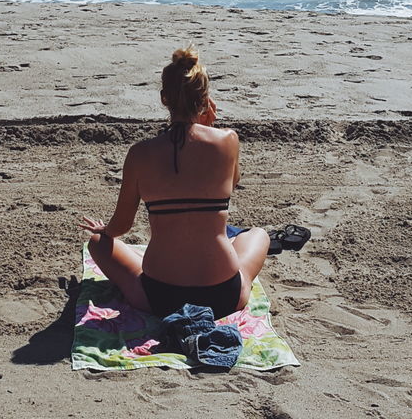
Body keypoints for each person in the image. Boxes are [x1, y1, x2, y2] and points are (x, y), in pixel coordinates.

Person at [78, 45, 270, 320]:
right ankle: (243, 285)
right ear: (205, 100)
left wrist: (104, 230)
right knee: (259, 235)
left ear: (164, 98)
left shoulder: (140, 153)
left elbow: (121, 227)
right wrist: (212, 128)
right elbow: (233, 181)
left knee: (98, 242)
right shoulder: (228, 140)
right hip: (224, 295)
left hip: (159, 296)